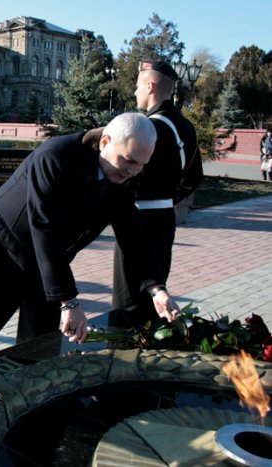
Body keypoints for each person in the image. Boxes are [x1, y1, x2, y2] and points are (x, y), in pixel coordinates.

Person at [0, 112, 180, 365]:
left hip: (48, 263)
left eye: (141, 164)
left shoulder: (123, 177)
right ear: (105, 142)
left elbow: (133, 235)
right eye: (128, 160)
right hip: (2, 249)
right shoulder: (56, 156)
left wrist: (156, 288)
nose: (133, 171)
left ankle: (28, 389)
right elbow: (45, 228)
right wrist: (69, 301)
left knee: (39, 342)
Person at [110, 60, 203, 330]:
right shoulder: (184, 125)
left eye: (138, 86)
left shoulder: (147, 127)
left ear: (150, 86)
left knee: (128, 300)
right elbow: (194, 178)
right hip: (164, 218)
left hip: (138, 218)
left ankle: (123, 360)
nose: (135, 92)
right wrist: (167, 200)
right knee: (154, 292)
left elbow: (129, 177)